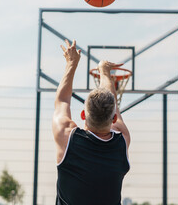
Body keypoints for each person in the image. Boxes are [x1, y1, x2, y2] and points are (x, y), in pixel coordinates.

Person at [52, 39, 131, 205]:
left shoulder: (67, 138)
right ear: (114, 119)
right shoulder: (122, 140)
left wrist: (71, 64)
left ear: (83, 115)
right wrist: (104, 72)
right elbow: (112, 104)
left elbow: (62, 101)